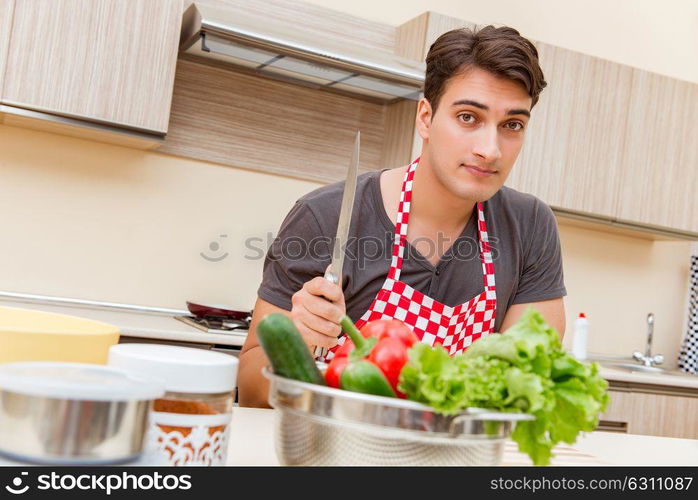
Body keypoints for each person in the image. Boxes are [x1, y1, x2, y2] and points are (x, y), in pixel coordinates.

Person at [239, 25, 566, 407]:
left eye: (512, 125)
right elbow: (249, 389)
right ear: (425, 118)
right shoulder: (325, 215)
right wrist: (297, 345)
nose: (490, 150)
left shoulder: (529, 226)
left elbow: (526, 382)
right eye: (467, 117)